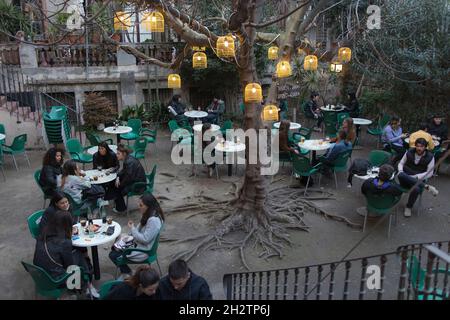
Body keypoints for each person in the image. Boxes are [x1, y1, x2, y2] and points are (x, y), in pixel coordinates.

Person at [33, 210, 99, 298]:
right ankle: (87, 285)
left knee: (75, 254)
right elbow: (70, 266)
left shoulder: (42, 234)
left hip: (40, 276)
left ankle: (85, 283)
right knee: (79, 254)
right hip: (56, 279)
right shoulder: (65, 242)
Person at [109, 193, 164, 279]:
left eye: (141, 205)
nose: (139, 206)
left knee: (113, 254)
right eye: (139, 204)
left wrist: (132, 229)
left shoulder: (153, 220)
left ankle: (127, 272)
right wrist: (131, 232)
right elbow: (140, 228)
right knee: (118, 240)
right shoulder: (149, 213)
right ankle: (126, 270)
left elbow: (145, 239)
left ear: (148, 206)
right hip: (140, 244)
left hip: (144, 250)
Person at [398, 138, 439, 217]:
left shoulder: (430, 157)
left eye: (421, 146)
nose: (419, 148)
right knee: (400, 174)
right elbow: (401, 163)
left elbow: (430, 173)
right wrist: (400, 170)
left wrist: (416, 177)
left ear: (425, 147)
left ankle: (408, 207)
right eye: (417, 146)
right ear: (415, 146)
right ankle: (426, 186)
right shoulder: (409, 152)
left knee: (416, 189)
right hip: (405, 178)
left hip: (418, 179)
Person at [110, 144, 146, 213]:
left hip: (138, 185)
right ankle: (117, 202)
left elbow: (129, 177)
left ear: (124, 154)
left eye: (118, 153)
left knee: (117, 189)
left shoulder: (129, 162)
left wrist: (120, 185)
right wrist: (118, 176)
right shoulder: (128, 159)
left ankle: (121, 209)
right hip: (135, 180)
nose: (116, 155)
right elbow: (124, 171)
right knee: (116, 184)